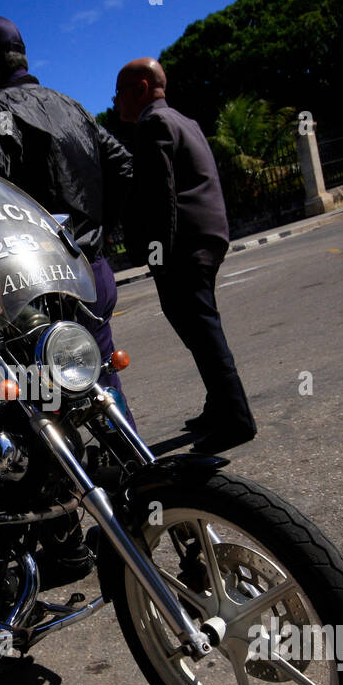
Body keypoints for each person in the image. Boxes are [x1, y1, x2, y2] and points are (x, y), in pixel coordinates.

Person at [0, 15, 134, 405]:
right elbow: (124, 166)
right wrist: (97, 230)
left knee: (42, 402)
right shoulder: (71, 106)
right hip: (93, 272)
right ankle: (123, 464)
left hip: (40, 288)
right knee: (99, 385)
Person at [114, 57, 257, 453]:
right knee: (199, 327)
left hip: (183, 245)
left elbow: (160, 196)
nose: (116, 103)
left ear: (141, 88)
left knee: (203, 331)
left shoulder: (152, 124)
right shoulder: (183, 120)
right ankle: (218, 406)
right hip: (206, 236)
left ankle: (236, 419)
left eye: (120, 93)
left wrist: (154, 253)